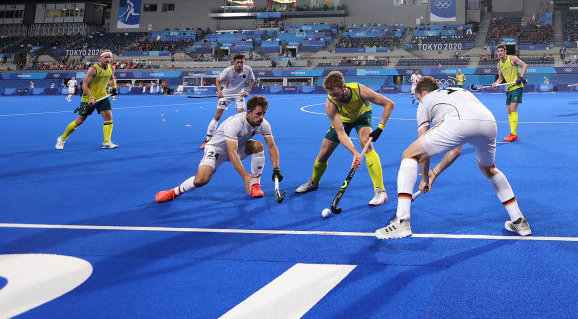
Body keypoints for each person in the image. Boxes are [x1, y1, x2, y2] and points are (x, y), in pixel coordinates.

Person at [375, 76, 532, 239]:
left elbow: (422, 148)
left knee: (409, 154)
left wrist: (425, 179)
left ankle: (402, 220)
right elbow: (456, 150)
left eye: (419, 97)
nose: (419, 100)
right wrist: (434, 173)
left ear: (423, 93)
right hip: (489, 121)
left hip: (459, 120)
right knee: (489, 168)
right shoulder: (459, 91)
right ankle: (518, 219)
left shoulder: (426, 101)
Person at [295, 71, 394, 206]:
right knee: (323, 154)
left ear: (344, 87)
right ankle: (314, 182)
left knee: (367, 144)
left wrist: (380, 128)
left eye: (335, 94)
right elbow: (341, 133)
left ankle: (380, 191)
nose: (333, 97)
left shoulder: (360, 91)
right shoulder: (330, 104)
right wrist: (355, 153)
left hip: (362, 116)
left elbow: (389, 104)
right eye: (330, 94)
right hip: (343, 121)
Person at [155, 95, 281, 202]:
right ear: (249, 113)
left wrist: (276, 168)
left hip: (238, 148)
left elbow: (272, 146)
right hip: (216, 150)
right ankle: (173, 192)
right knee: (201, 180)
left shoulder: (263, 124)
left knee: (258, 146)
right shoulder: (235, 123)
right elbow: (231, 153)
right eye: (258, 114)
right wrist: (245, 176)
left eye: (264, 113)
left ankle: (255, 186)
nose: (261, 117)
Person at [55, 51, 119, 150]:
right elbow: (84, 84)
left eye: (109, 57)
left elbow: (112, 78)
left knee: (109, 119)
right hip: (89, 98)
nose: (108, 59)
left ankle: (106, 142)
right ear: (100, 58)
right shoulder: (93, 69)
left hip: (103, 97)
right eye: (105, 57)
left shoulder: (111, 68)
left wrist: (114, 87)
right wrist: (90, 97)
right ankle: (62, 138)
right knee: (80, 121)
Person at [203, 54, 257, 147]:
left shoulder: (248, 69)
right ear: (234, 62)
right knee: (218, 115)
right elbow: (217, 80)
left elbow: (253, 80)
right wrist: (219, 92)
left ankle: (242, 138)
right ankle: (208, 139)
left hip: (239, 94)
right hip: (226, 95)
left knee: (242, 116)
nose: (240, 64)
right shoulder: (228, 71)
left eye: (241, 62)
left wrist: (248, 90)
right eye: (238, 62)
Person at [493, 44, 527, 142]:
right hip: (509, 89)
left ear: (505, 51)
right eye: (498, 51)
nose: (499, 53)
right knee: (509, 111)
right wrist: (495, 83)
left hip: (517, 87)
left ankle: (513, 134)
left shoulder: (512, 58)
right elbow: (500, 78)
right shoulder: (499, 64)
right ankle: (513, 133)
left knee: (513, 109)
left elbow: (525, 65)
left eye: (501, 51)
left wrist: (520, 78)